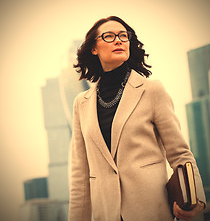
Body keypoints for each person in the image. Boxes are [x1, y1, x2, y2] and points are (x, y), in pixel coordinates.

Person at [68, 16, 206, 221]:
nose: (118, 40)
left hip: (152, 211)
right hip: (106, 214)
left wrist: (197, 199)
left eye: (123, 36)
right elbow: (80, 176)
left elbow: (181, 154)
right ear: (94, 48)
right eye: (109, 36)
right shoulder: (82, 103)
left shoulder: (152, 91)